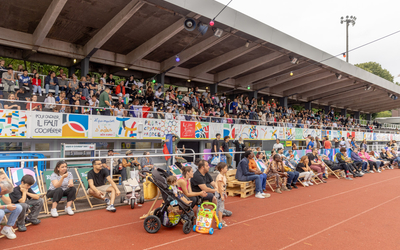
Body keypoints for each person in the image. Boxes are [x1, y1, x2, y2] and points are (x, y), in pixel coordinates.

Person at [215, 162, 229, 227]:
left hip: (220, 192)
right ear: (221, 169)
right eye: (226, 168)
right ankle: (220, 221)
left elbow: (223, 186)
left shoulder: (223, 175)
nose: (227, 169)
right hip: (219, 193)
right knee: (221, 207)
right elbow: (220, 187)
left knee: (218, 206)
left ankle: (217, 219)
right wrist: (221, 195)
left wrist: (224, 192)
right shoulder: (220, 176)